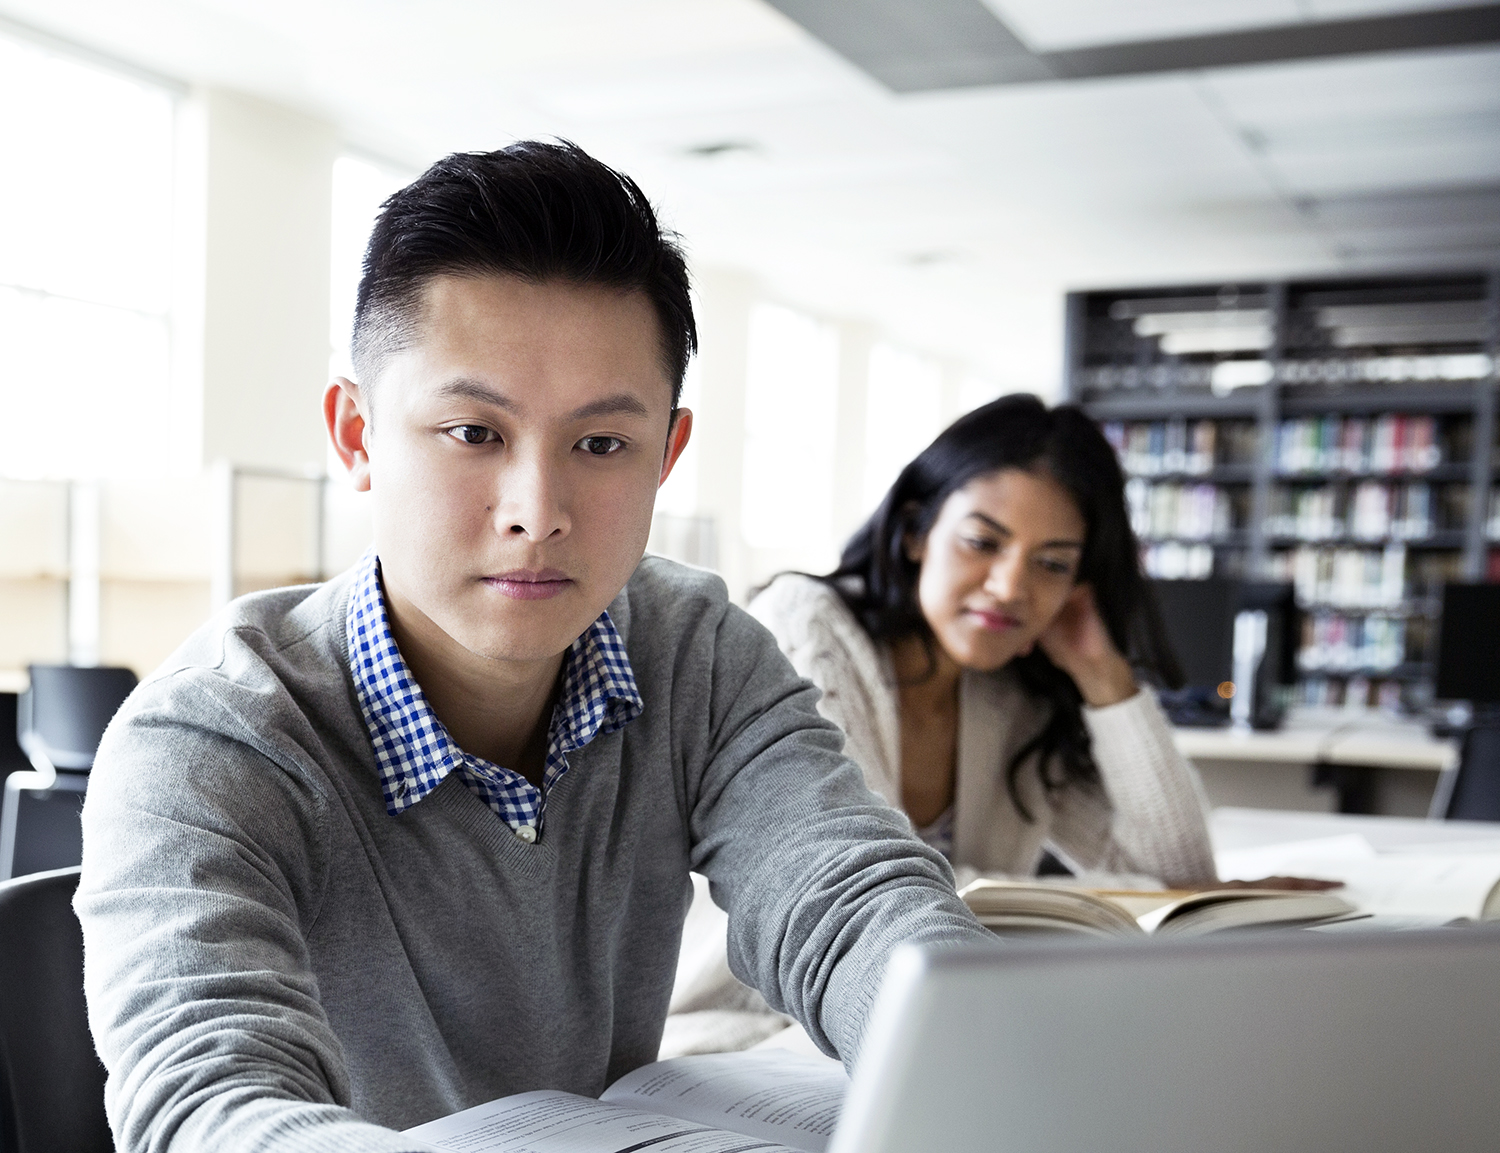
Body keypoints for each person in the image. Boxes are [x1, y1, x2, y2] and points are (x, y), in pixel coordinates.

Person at [74, 141, 988, 1151]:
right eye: (473, 433)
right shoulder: (209, 738)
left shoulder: (699, 652)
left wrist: (991, 1059)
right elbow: (204, 1106)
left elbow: (849, 899)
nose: (537, 512)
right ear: (356, 434)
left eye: (600, 445)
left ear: (666, 456)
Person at [747, 394, 1218, 886]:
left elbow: (1182, 880)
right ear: (915, 533)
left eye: (1052, 564)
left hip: (963, 965)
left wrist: (1102, 673)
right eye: (982, 543)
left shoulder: (1016, 698)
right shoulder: (803, 626)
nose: (1010, 588)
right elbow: (865, 890)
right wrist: (1103, 899)